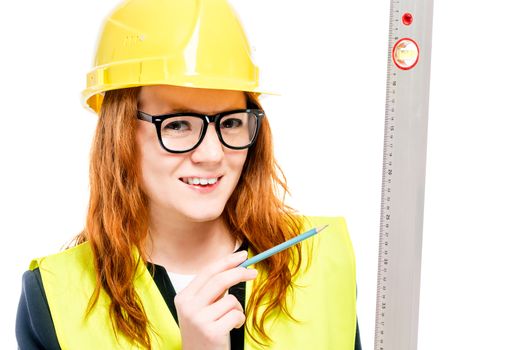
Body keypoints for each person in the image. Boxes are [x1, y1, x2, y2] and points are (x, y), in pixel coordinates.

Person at [16, 0, 361, 349]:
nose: (212, 155)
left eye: (230, 122)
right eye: (178, 124)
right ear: (118, 133)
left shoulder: (321, 262)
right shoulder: (54, 297)